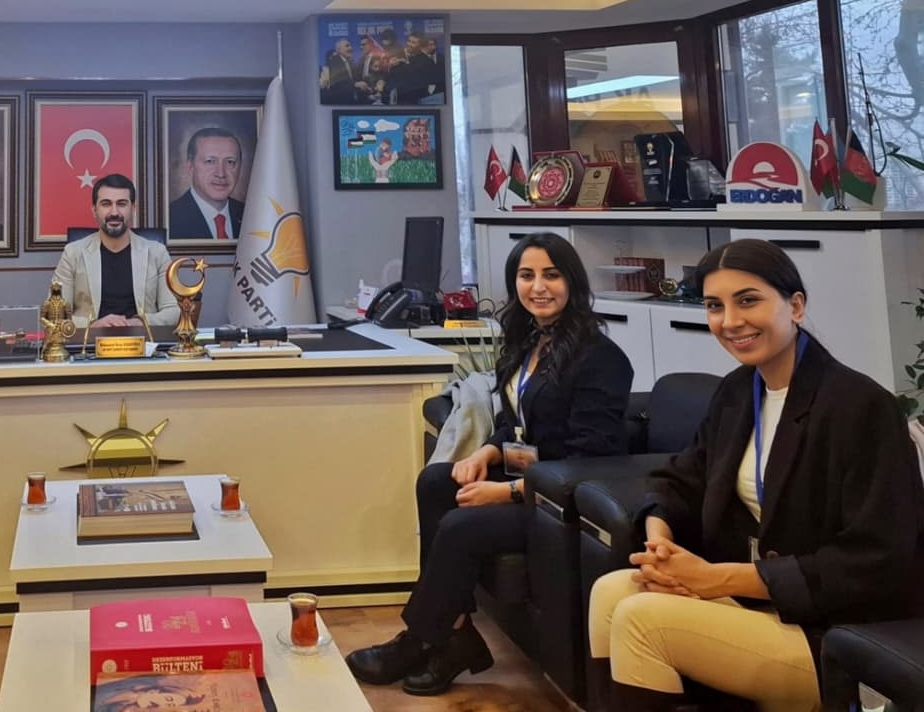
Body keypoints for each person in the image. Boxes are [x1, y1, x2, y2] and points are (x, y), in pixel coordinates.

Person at [587, 239, 924, 711]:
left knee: (642, 621)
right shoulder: (737, 392)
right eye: (714, 306)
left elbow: (876, 560)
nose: (730, 321)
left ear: (796, 306)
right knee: (611, 592)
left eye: (748, 300)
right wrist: (660, 543)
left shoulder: (860, 406)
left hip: (837, 630)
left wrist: (718, 579)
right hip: (758, 603)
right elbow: (680, 479)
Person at [346, 231, 633, 695]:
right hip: (531, 476)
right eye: (526, 275)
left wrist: (509, 491)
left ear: (572, 282)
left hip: (564, 500)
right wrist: (488, 451)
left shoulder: (601, 358)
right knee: (436, 481)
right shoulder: (530, 341)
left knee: (462, 525)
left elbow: (589, 460)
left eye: (551, 275)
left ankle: (421, 638)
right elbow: (515, 422)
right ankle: (454, 633)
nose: (538, 287)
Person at [50, 173, 177, 329]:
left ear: (133, 208)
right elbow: (54, 315)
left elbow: (173, 311)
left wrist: (139, 322)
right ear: (94, 210)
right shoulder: (73, 253)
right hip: (91, 341)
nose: (114, 212)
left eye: (122, 204)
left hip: (142, 339)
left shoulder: (157, 253)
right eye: (106, 204)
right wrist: (94, 325)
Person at [166, 127, 246, 240]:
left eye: (230, 162)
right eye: (210, 161)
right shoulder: (169, 219)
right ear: (190, 167)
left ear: (240, 167)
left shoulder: (251, 216)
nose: (221, 173)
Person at [319, 37, 361, 104]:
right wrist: (355, 84)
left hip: (352, 102)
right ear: (338, 50)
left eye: (351, 46)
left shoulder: (350, 63)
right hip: (340, 102)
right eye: (347, 46)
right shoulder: (333, 62)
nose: (350, 48)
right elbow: (338, 84)